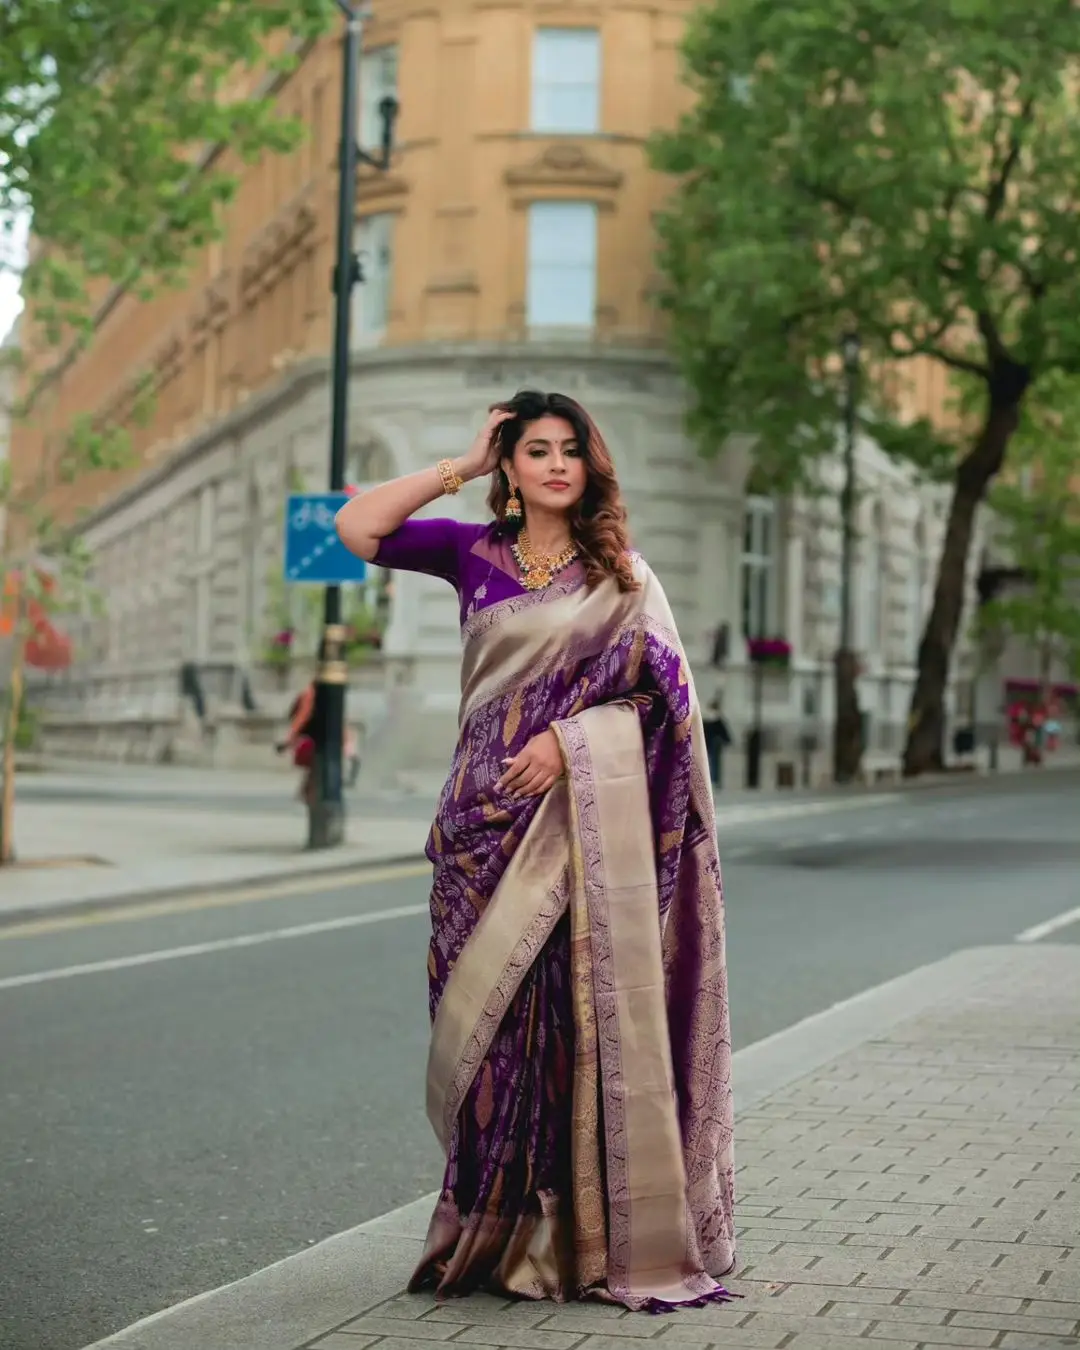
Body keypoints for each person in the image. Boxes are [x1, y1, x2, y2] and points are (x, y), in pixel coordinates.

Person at [335, 391, 735, 1311]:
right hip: (478, 829)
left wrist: (570, 742)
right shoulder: (468, 553)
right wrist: (459, 467)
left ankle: (562, 1240)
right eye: (534, 451)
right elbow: (357, 527)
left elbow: (664, 707)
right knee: (484, 1044)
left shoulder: (625, 579)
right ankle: (484, 1231)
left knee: (567, 1031)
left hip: (572, 832)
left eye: (570, 452)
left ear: (591, 468)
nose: (556, 465)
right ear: (511, 468)